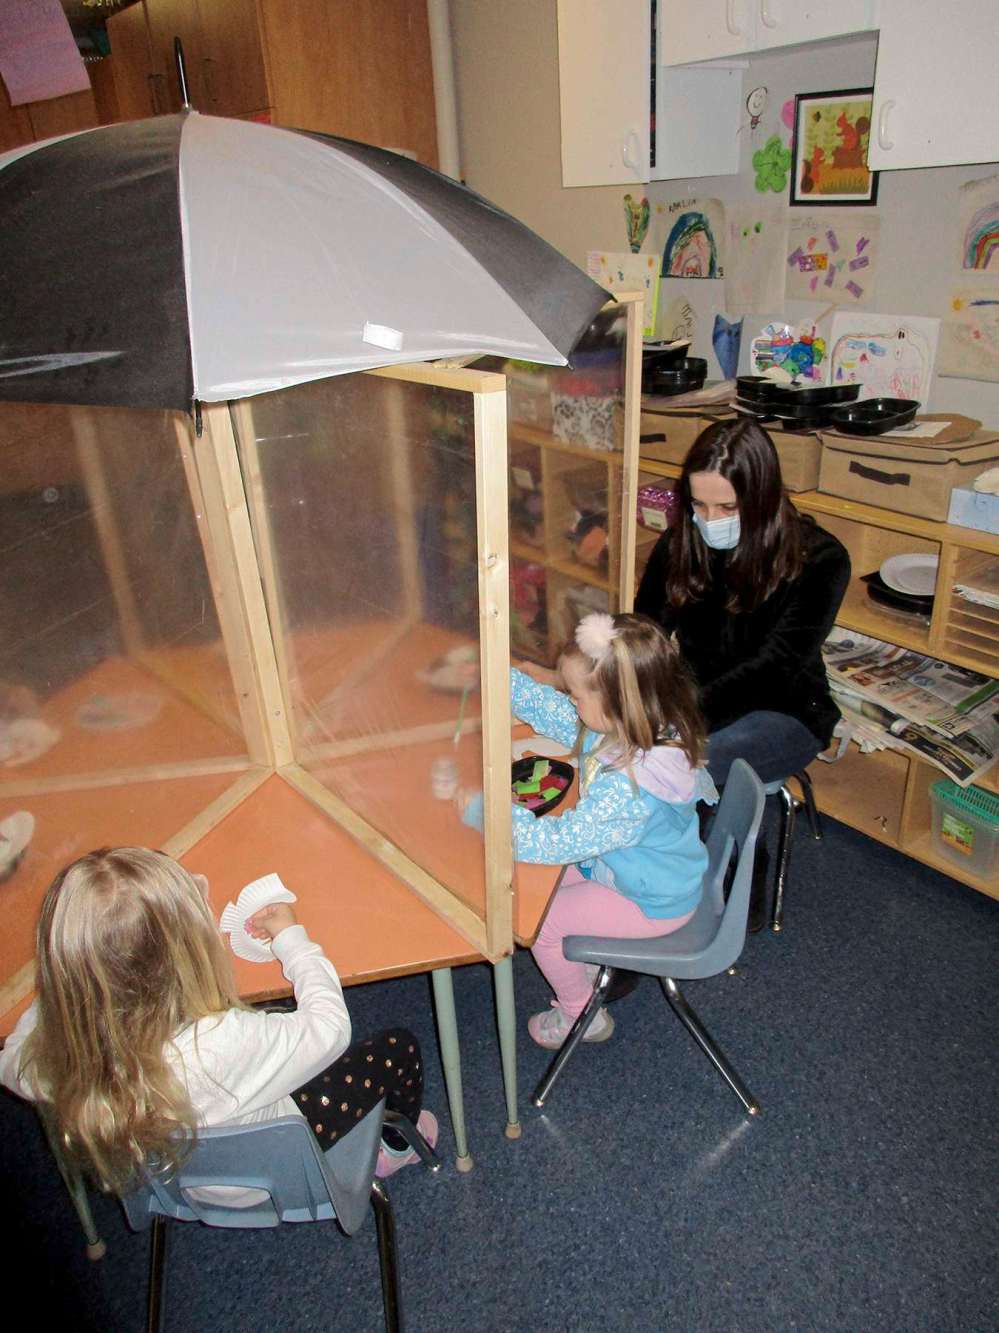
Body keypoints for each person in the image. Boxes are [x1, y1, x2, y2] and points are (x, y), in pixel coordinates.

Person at [0, 847, 436, 1195]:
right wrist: (292, 940)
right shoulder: (224, 1040)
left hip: (172, 1178)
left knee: (278, 1027)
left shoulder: (55, 1057)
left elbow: (12, 1060)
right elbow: (330, 1028)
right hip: (275, 1166)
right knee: (397, 1047)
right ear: (185, 955)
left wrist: (69, 988)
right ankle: (397, 1147)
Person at [466, 611, 716, 1050]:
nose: (570, 702)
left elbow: (556, 842)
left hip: (652, 901)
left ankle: (581, 1013)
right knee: (535, 895)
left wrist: (484, 811)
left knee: (540, 924)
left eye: (576, 695)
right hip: (635, 871)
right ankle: (586, 979)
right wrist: (499, 677)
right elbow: (564, 718)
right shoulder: (640, 728)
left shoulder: (631, 789)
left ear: (616, 703)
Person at [635, 416, 851, 923]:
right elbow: (644, 630)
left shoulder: (819, 559)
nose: (710, 519)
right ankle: (642, 885)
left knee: (675, 766)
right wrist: (612, 684)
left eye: (728, 507)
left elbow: (773, 669)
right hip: (696, 702)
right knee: (627, 748)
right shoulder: (682, 544)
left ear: (762, 500)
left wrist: (677, 720)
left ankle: (726, 884)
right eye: (699, 505)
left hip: (787, 710)